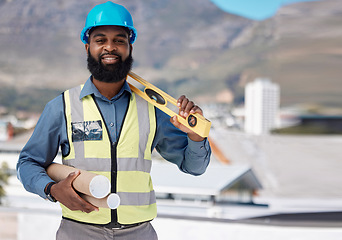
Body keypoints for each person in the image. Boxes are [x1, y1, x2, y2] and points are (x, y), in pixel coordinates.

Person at [16, 1, 211, 239]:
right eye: (100, 40)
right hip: (79, 232)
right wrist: (52, 189)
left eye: (119, 40)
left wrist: (195, 136)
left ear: (130, 47)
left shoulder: (154, 109)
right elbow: (27, 163)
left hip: (139, 233)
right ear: (87, 47)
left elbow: (195, 167)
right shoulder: (62, 107)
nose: (110, 47)